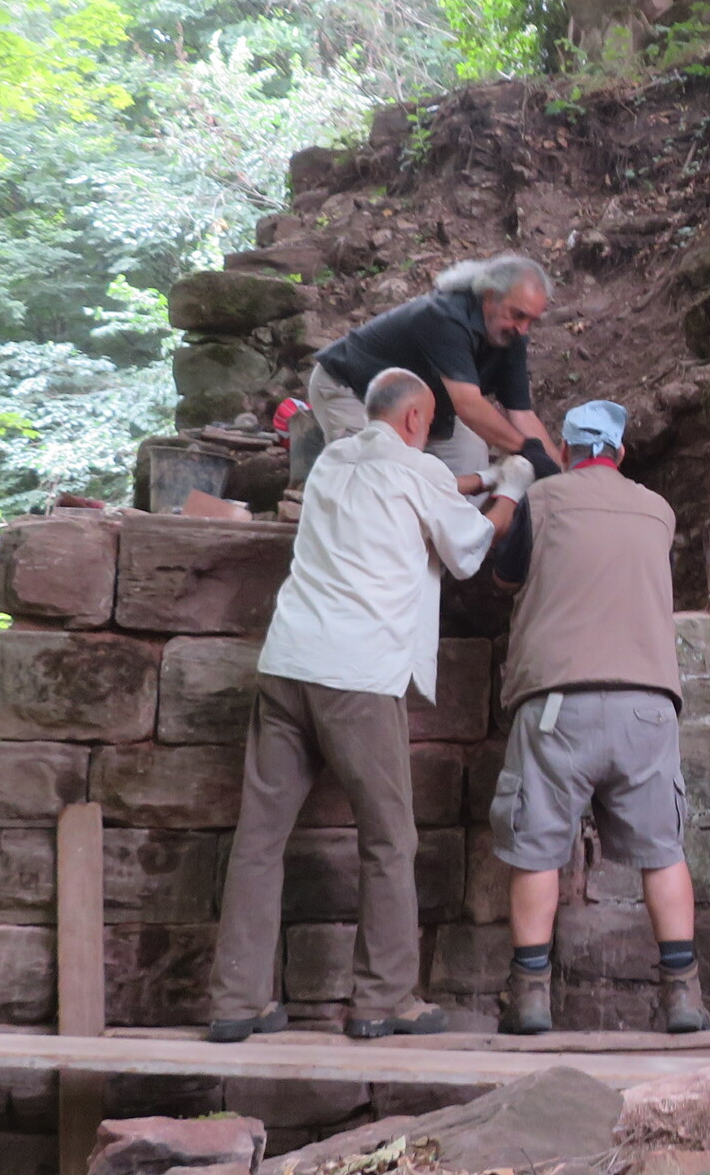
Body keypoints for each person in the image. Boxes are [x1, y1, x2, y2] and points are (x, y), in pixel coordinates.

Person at [206, 366, 528, 1042]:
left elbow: (422, 488)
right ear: (414, 420)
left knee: (259, 840)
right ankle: (383, 998)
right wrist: (513, 488)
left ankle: (236, 1001)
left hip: (287, 665)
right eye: (430, 423)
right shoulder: (418, 472)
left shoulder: (331, 462)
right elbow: (470, 548)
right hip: (356, 676)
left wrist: (479, 480)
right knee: (389, 840)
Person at [485, 400, 707, 1035]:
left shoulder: (544, 500)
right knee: (663, 852)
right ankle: (683, 996)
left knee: (536, 851)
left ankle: (530, 998)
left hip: (560, 703)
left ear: (565, 450)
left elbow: (506, 578)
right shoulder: (658, 510)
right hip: (647, 705)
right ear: (620, 453)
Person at [308, 255, 562, 483]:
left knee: (469, 452)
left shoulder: (512, 336)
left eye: (531, 320)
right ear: (489, 296)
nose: (523, 329)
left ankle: (456, 521)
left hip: (417, 403)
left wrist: (561, 473)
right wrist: (526, 449)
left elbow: (522, 414)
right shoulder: (445, 317)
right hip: (350, 389)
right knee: (374, 475)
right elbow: (468, 405)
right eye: (517, 315)